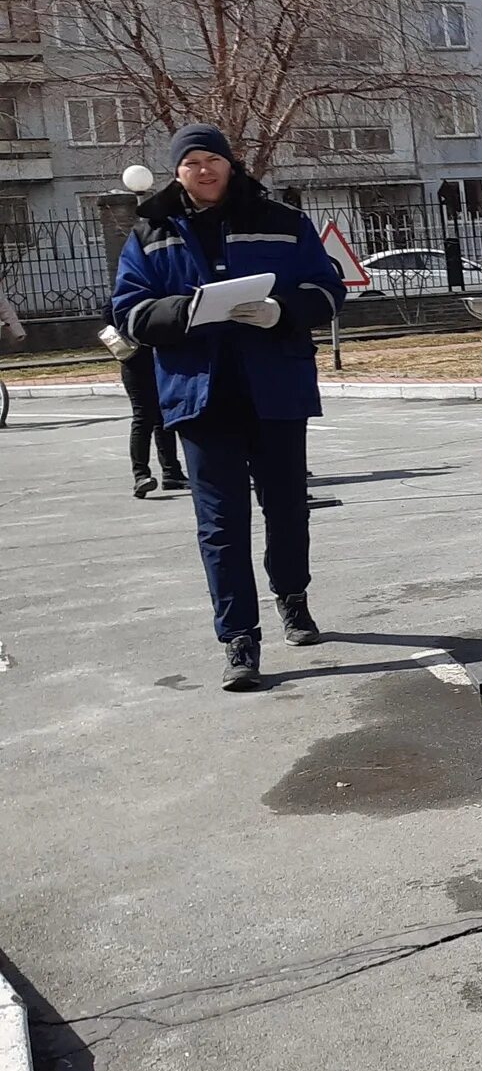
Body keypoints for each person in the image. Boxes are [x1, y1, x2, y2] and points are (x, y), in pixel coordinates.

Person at [107, 127, 345, 691]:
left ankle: (292, 595)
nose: (203, 170)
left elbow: (330, 290)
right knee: (220, 523)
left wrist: (280, 311)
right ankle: (239, 638)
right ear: (177, 172)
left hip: (275, 391)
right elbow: (128, 311)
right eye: (191, 162)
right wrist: (184, 311)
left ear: (231, 165)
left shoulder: (284, 221)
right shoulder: (151, 233)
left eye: (213, 159)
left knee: (286, 506)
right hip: (199, 397)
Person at [105, 326, 187, 498]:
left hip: (160, 361)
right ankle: (141, 476)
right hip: (135, 362)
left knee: (164, 418)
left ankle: (172, 473)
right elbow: (109, 313)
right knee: (143, 418)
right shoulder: (124, 301)